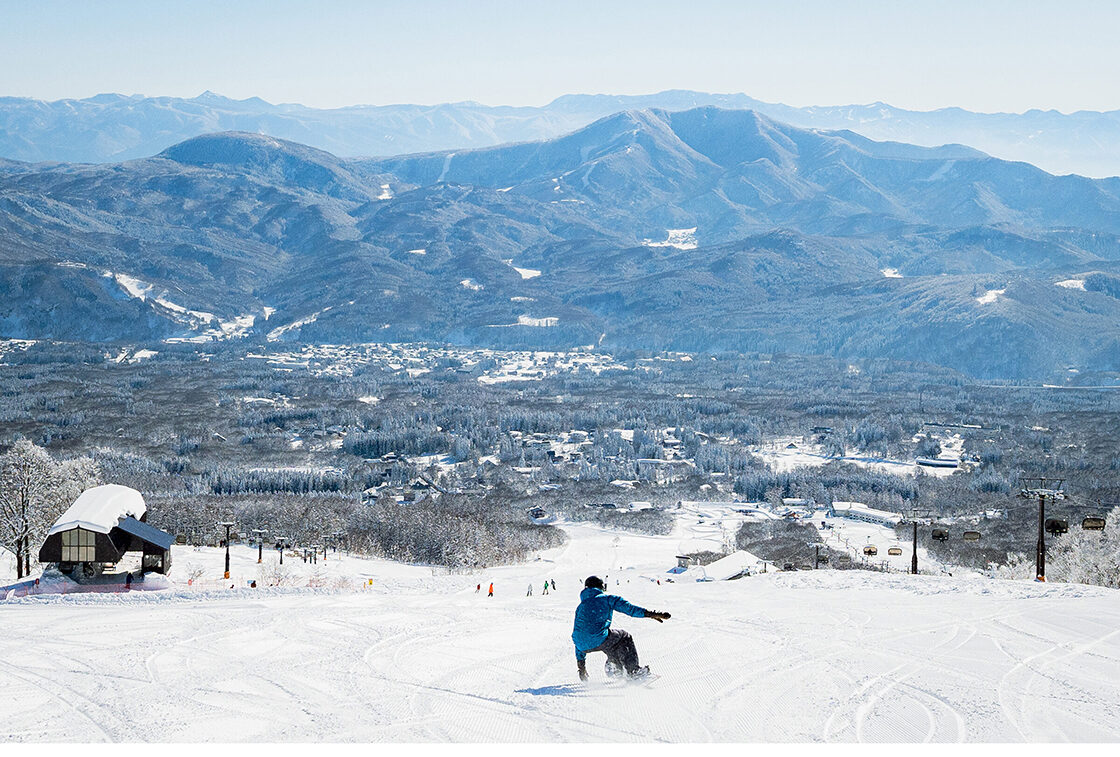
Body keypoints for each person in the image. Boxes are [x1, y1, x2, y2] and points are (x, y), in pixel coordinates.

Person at [572, 575, 670, 681]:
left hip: (582, 645)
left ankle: (616, 669)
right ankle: (634, 672)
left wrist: (581, 667)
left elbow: (580, 634)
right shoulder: (607, 599)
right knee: (624, 636)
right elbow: (630, 609)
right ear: (600, 587)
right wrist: (651, 614)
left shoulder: (581, 606)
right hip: (599, 639)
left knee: (611, 641)